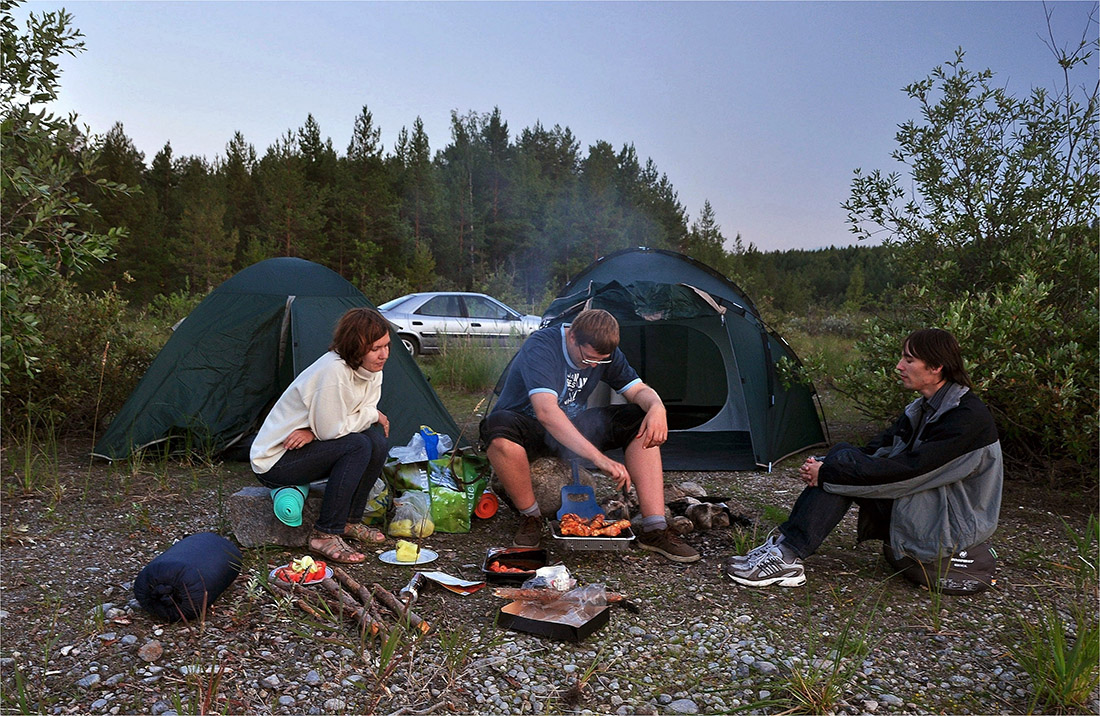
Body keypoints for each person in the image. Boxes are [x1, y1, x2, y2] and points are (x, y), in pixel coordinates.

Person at [725, 328, 1002, 589]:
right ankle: (785, 545)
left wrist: (830, 473)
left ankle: (788, 553)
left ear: (936, 366)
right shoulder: (924, 408)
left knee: (840, 466)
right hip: (924, 503)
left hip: (946, 521)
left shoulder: (966, 418)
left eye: (909, 359)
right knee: (842, 454)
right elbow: (876, 450)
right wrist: (826, 464)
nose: (899, 366)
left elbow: (911, 472)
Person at [480, 308, 701, 563]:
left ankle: (655, 529)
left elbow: (637, 389)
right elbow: (546, 412)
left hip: (573, 430)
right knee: (497, 426)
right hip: (528, 430)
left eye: (601, 361)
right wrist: (599, 459)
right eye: (588, 359)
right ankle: (531, 517)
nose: (594, 366)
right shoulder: (542, 345)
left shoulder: (605, 353)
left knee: (639, 419)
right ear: (573, 337)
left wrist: (656, 407)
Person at [251, 307, 393, 564]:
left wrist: (313, 432)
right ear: (355, 347)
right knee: (358, 445)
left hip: (308, 447)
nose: (384, 354)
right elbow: (334, 429)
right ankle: (325, 533)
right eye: (375, 348)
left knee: (377, 441)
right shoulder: (334, 371)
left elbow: (354, 417)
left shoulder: (372, 372)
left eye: (386, 345)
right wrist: (372, 416)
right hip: (276, 459)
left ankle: (350, 521)